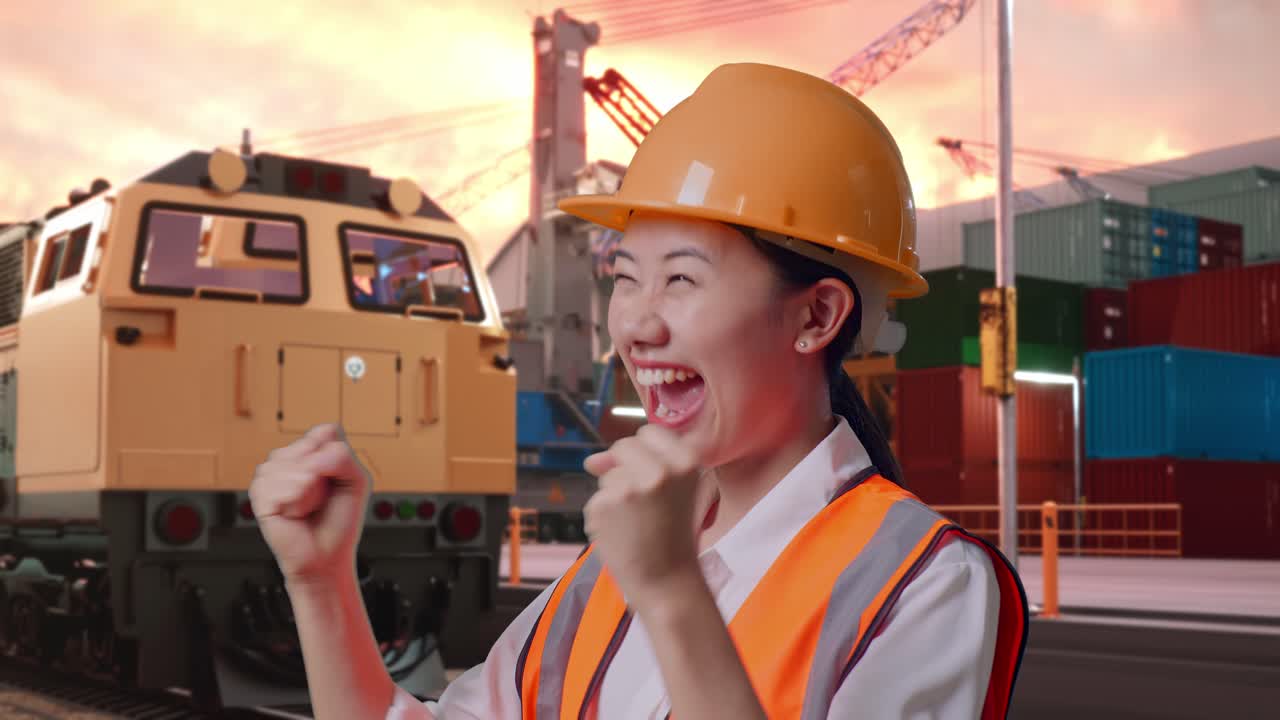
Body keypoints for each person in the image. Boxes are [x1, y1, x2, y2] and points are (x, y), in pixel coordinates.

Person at [249, 62, 1028, 719]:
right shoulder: (618, 565)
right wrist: (320, 583)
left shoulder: (923, 583)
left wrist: (671, 593)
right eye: (625, 278)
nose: (636, 326)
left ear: (816, 315)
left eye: (681, 279)